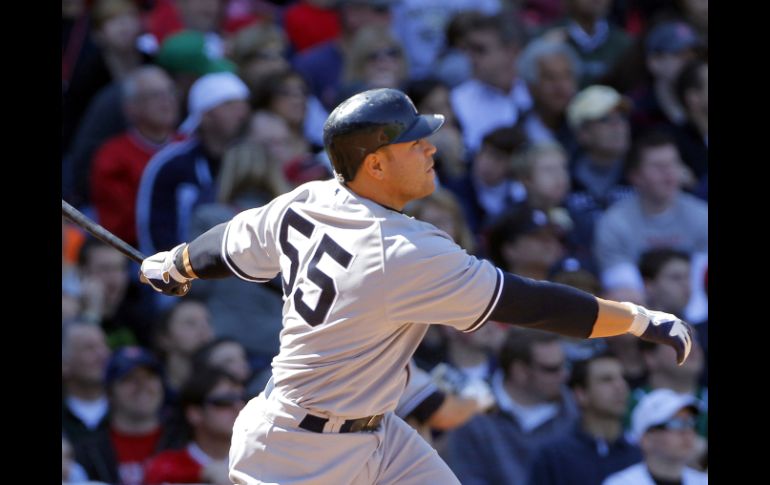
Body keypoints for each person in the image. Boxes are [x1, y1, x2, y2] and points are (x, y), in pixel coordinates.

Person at [139, 87, 694, 485]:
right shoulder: (402, 249)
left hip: (374, 432)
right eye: (414, 143)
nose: (431, 148)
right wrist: (636, 319)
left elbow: (227, 244)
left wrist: (176, 265)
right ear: (376, 165)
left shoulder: (309, 199)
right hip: (297, 456)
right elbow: (530, 303)